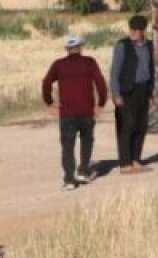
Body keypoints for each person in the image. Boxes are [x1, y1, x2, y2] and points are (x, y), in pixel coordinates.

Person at [42, 34, 109, 190]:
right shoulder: (89, 62)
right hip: (86, 111)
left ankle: (69, 180)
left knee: (67, 146)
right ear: (80, 47)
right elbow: (100, 83)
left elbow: (46, 82)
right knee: (87, 141)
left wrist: (49, 102)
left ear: (66, 49)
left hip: (67, 113)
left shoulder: (58, 65)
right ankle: (83, 171)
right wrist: (100, 103)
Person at [110, 15, 156, 174]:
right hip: (126, 91)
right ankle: (124, 163)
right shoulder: (122, 46)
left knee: (141, 126)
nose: (134, 33)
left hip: (143, 90)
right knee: (126, 126)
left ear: (143, 31)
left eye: (137, 30)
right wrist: (116, 94)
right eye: (132, 30)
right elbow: (114, 72)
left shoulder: (149, 46)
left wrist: (151, 93)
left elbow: (151, 69)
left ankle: (136, 160)